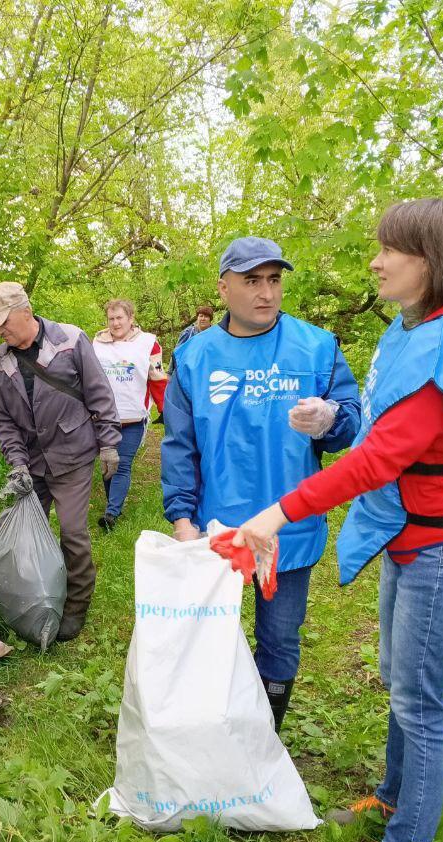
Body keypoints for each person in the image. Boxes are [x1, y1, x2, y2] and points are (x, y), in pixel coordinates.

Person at [232, 199, 443, 842]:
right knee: (400, 681)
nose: (377, 261)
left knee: (423, 702)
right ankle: (390, 797)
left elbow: (377, 459)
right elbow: (374, 427)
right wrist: (331, 419)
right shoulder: (410, 330)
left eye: (393, 251)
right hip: (408, 538)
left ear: (432, 265)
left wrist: (278, 512)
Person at [161, 237, 361, 729]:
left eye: (274, 280)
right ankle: (217, 728)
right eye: (252, 281)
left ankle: (267, 733)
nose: (266, 293)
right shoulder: (194, 357)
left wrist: (330, 418)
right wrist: (182, 519)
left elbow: (353, 423)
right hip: (219, 529)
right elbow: (180, 445)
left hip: (288, 527)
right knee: (214, 637)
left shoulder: (317, 346)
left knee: (280, 639)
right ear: (224, 288)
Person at [0, 281, 121, 642]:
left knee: (73, 533)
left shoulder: (71, 341)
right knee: (29, 537)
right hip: (31, 462)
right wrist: (17, 463)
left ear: (25, 312)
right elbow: (2, 420)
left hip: (73, 454)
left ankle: (75, 605)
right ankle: (34, 601)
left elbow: (99, 393)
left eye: (3, 321)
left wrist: (109, 444)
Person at [91, 298, 167, 530]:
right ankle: (111, 504)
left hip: (133, 416)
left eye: (119, 318)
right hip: (102, 418)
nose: (115, 323)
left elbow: (157, 377)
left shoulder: (148, 343)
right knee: (108, 463)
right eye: (111, 319)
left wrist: (165, 409)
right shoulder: (96, 343)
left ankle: (111, 514)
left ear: (131, 318)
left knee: (122, 464)